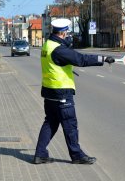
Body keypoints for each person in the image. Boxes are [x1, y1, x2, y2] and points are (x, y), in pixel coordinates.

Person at [33, 18, 115, 165]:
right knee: (70, 125)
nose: (69, 36)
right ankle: (77, 155)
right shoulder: (59, 49)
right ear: (63, 33)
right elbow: (80, 59)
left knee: (50, 123)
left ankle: (40, 154)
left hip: (49, 92)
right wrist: (102, 59)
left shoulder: (47, 45)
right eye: (68, 33)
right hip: (62, 94)